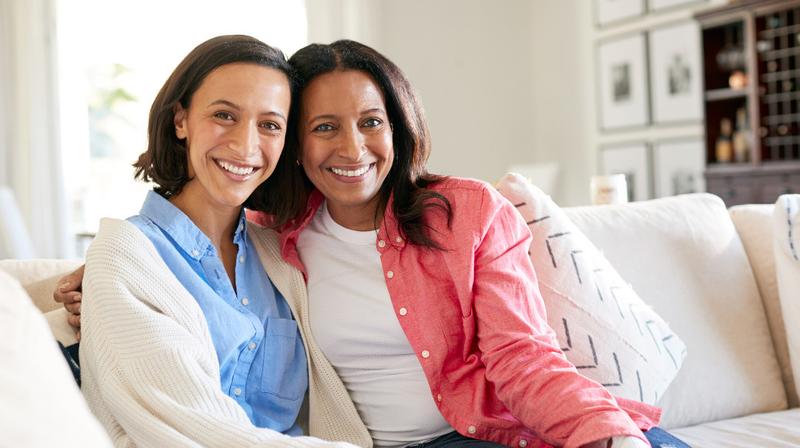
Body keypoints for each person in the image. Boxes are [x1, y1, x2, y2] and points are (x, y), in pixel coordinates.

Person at [57, 39, 690, 448]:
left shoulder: (283, 248)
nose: (352, 150)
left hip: (501, 431)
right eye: (323, 127)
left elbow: (523, 355)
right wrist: (110, 271)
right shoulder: (239, 242)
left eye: (370, 122)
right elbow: (184, 391)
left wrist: (605, 434)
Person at [75, 35, 355, 448]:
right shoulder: (125, 254)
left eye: (270, 125)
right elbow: (193, 426)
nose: (245, 145)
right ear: (180, 120)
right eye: (225, 115)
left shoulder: (282, 255)